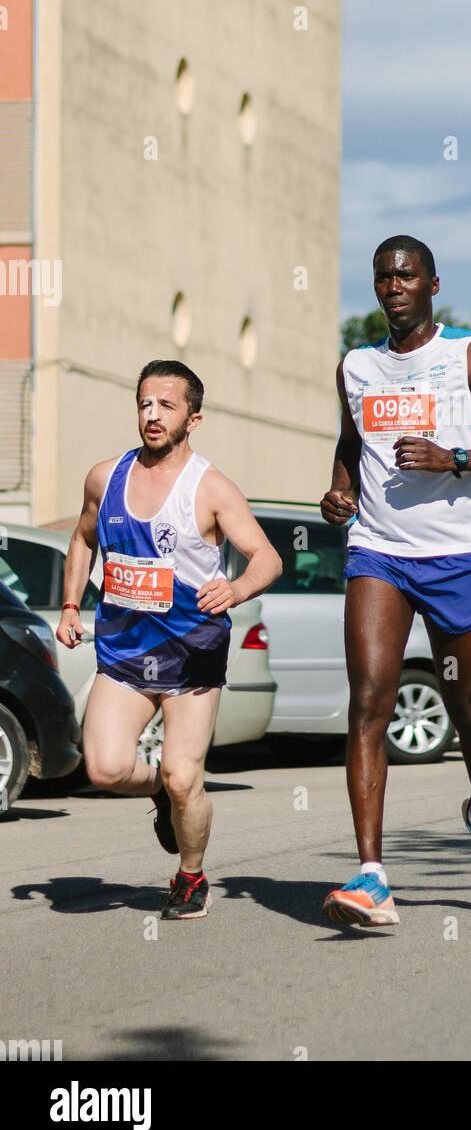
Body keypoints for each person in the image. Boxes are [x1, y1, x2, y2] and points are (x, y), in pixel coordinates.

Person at [321, 236, 471, 926]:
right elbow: (351, 444)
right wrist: (337, 493)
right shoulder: (356, 367)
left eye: (406, 275)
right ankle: (372, 877)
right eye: (383, 276)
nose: (394, 286)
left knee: (470, 709)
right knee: (369, 702)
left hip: (455, 557)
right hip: (378, 554)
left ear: (432, 284)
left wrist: (455, 456)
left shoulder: (467, 355)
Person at [56, 360, 281, 917]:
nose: (152, 415)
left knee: (187, 777)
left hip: (192, 654)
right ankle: (157, 791)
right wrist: (70, 603)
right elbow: (83, 538)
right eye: (144, 404)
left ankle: (190, 876)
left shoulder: (210, 487)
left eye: (167, 406)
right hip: (126, 653)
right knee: (105, 769)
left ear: (193, 418)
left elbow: (268, 558)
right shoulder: (104, 478)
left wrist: (235, 589)